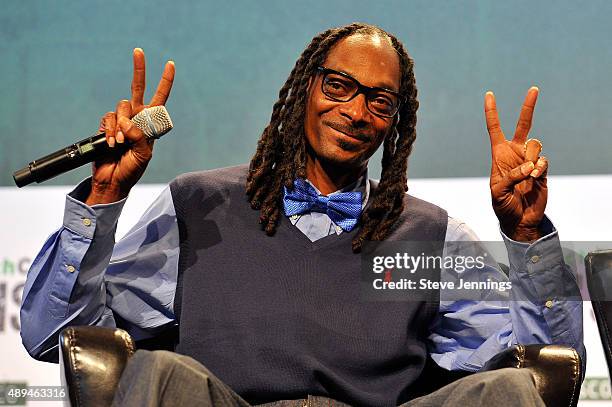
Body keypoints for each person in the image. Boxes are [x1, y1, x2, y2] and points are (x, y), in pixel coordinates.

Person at [20, 23, 583, 406]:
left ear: (395, 123)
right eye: (339, 86)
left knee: (506, 393)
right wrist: (101, 197)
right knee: (160, 375)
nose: (355, 111)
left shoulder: (430, 237)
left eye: (379, 101)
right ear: (304, 91)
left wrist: (525, 231)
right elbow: (57, 338)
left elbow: (545, 365)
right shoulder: (200, 204)